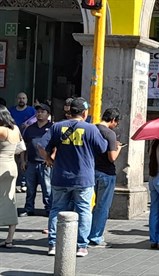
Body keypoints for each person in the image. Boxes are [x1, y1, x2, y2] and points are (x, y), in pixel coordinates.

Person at [41, 97, 108, 257]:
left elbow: (40, 145)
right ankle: (81, 246)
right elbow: (103, 148)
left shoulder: (57, 127)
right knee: (84, 210)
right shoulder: (91, 129)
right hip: (83, 178)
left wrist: (49, 160)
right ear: (84, 113)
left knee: (56, 209)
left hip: (60, 176)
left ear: (70, 111)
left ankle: (53, 244)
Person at [89, 108, 124, 247]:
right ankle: (96, 236)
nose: (116, 125)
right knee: (102, 206)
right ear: (113, 120)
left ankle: (86, 232)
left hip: (91, 171)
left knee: (87, 205)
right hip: (106, 173)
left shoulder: (91, 129)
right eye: (117, 122)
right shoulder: (110, 134)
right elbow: (112, 157)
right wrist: (119, 148)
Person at [19, 104, 53, 217]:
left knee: (47, 189)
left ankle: (49, 209)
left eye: (43, 111)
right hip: (31, 162)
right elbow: (23, 145)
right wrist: (23, 161)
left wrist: (51, 158)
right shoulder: (30, 128)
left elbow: (57, 145)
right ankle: (29, 208)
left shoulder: (52, 128)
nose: (39, 113)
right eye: (38, 111)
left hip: (46, 164)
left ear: (48, 114)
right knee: (30, 188)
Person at [0, 105, 20, 248]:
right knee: (10, 200)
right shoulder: (15, 128)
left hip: (1, 167)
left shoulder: (1, 130)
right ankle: (9, 239)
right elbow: (20, 147)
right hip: (12, 167)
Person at [9, 92, 35, 193]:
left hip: (27, 140)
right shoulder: (11, 110)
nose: (21, 100)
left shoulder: (31, 111)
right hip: (13, 139)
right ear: (16, 99)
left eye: (24, 98)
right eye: (20, 98)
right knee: (14, 161)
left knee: (24, 162)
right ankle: (15, 183)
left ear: (27, 100)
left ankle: (23, 182)